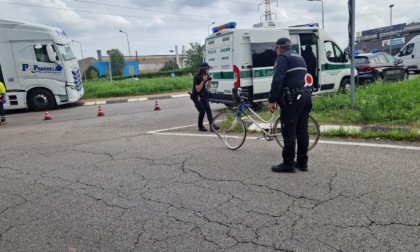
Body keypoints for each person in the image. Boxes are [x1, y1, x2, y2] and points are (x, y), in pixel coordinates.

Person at [268, 37, 313, 173]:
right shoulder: (300, 57)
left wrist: (272, 99)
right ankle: (302, 162)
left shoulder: (282, 58)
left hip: (293, 99)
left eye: (276, 48)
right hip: (306, 96)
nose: (276, 51)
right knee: (302, 131)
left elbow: (278, 79)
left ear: (280, 48)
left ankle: (288, 164)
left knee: (288, 131)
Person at [190, 62, 219, 132]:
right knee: (202, 111)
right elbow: (197, 89)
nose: (208, 70)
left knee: (208, 109)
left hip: (204, 94)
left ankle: (212, 126)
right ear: (204, 69)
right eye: (207, 68)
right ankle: (200, 126)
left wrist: (209, 81)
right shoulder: (197, 77)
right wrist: (203, 81)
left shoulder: (206, 76)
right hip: (196, 96)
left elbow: (208, 87)